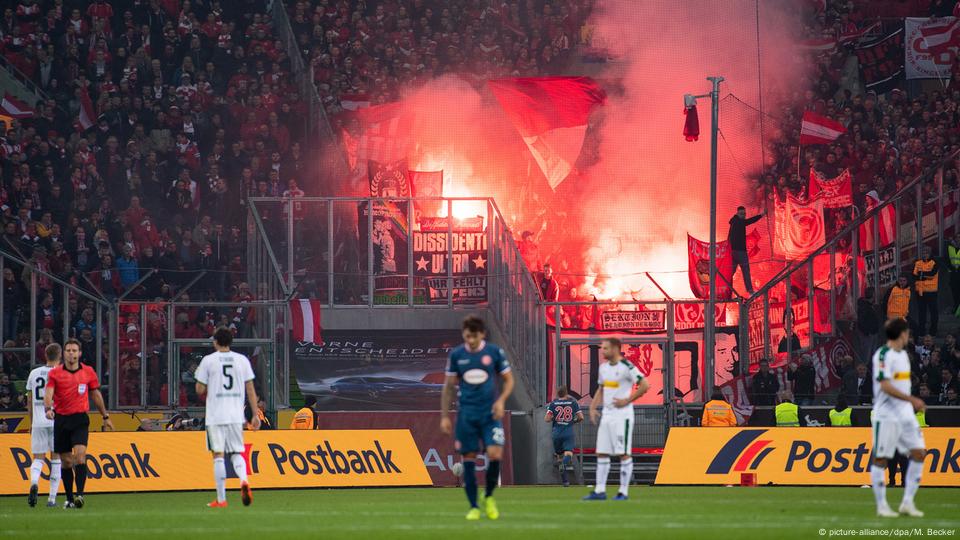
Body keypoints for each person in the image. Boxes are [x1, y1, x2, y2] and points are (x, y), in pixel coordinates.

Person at [440, 316, 514, 521]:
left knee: (495, 453)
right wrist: (445, 416)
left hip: (490, 414)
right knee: (469, 460)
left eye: (473, 336)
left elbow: (508, 381)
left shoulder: (494, 353)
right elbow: (447, 387)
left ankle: (488, 496)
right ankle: (473, 506)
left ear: (482, 334)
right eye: (466, 336)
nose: (470, 340)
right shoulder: (457, 355)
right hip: (467, 416)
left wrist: (500, 401)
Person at [43, 339, 114, 509]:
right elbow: (48, 393)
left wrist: (105, 416)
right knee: (67, 462)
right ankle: (69, 498)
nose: (71, 353)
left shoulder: (88, 372)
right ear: (64, 353)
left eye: (74, 350)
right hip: (61, 419)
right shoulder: (55, 373)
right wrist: (48, 408)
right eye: (68, 350)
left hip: (80, 419)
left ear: (80, 353)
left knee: (80, 456)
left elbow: (96, 395)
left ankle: (80, 495)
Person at [194, 326, 260, 508]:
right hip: (235, 415)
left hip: (216, 416)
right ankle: (244, 481)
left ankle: (221, 499)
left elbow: (199, 390)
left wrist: (202, 381)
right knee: (237, 452)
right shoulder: (242, 360)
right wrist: (255, 414)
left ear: (215, 341)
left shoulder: (208, 361)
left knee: (218, 456)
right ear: (231, 342)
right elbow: (250, 389)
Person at [870, 318, 926, 518]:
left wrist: (909, 403)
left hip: (905, 413)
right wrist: (913, 400)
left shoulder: (903, 355)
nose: (908, 336)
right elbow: (885, 386)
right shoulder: (883, 355)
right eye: (907, 333)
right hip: (886, 413)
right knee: (880, 459)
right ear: (902, 334)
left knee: (920, 453)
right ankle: (882, 505)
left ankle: (907, 502)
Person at [583, 337, 649, 501]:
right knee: (602, 452)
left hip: (623, 416)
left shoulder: (627, 366)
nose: (603, 351)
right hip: (607, 415)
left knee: (623, 453)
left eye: (605, 348)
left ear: (615, 349)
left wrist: (627, 400)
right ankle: (600, 491)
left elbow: (645, 385)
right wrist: (592, 407)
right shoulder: (603, 368)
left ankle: (623, 492)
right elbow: (601, 389)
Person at [25, 343, 63, 507]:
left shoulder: (34, 373)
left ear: (45, 355)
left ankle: (34, 482)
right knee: (56, 458)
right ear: (60, 355)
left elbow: (29, 400)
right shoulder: (61, 373)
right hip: (56, 420)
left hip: (38, 421)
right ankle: (52, 499)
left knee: (38, 458)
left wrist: (32, 422)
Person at [544, 385, 583, 487]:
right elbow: (581, 417)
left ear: (558, 393)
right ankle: (564, 465)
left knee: (559, 457)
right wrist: (573, 421)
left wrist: (556, 419)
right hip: (568, 432)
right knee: (568, 454)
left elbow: (547, 419)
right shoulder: (573, 403)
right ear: (566, 393)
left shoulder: (553, 404)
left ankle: (565, 482)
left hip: (556, 433)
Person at [727, 206, 764, 295]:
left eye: (744, 214)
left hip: (732, 251)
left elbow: (729, 236)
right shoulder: (739, 222)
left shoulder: (733, 222)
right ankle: (750, 291)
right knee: (745, 270)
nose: (743, 215)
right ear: (737, 213)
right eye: (742, 214)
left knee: (731, 272)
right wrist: (761, 215)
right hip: (740, 251)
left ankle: (725, 289)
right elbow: (749, 221)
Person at [913, 246, 939, 336]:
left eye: (926, 252)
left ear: (930, 253)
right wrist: (924, 276)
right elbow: (914, 275)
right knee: (921, 313)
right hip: (920, 292)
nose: (924, 254)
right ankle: (921, 331)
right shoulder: (917, 263)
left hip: (931, 292)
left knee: (933, 312)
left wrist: (921, 275)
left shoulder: (934, 263)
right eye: (923, 252)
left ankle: (933, 330)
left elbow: (932, 274)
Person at [856, 287, 881, 360]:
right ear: (873, 295)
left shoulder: (869, 306)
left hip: (872, 333)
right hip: (868, 335)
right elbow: (861, 321)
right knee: (866, 356)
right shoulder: (865, 307)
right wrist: (868, 332)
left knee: (871, 355)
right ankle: (865, 369)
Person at [948, 231, 960, 316]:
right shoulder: (950, 248)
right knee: (955, 292)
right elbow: (947, 259)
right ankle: (956, 308)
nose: (958, 239)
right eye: (957, 238)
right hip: (954, 274)